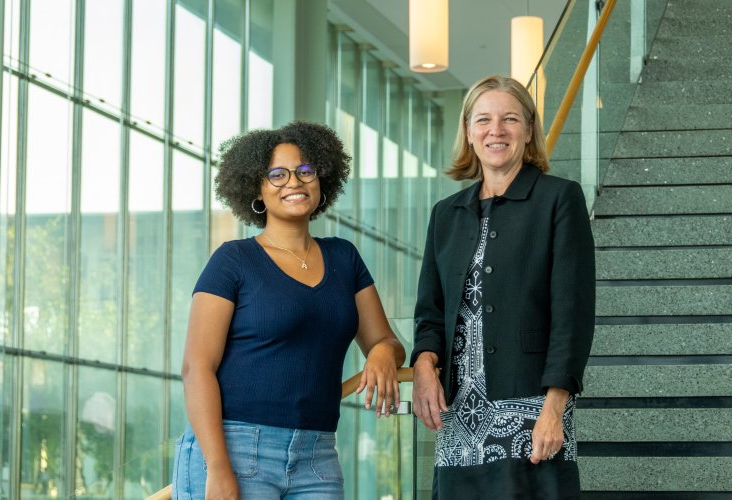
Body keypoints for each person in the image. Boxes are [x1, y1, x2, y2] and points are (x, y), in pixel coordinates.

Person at [172, 121, 406, 500]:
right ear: (256, 190)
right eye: (277, 174)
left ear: (321, 181)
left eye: (305, 171)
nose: (294, 182)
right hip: (234, 447)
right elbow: (196, 367)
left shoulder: (344, 258)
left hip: (317, 454)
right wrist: (217, 467)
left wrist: (382, 352)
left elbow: (386, 341)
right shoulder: (233, 260)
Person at [410, 75, 595, 499]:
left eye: (510, 119)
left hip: (532, 406)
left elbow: (573, 312)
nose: (497, 130)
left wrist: (555, 405)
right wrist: (423, 365)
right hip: (460, 415)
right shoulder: (446, 214)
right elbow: (430, 311)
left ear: (529, 131)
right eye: (484, 120)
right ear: (469, 132)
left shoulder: (559, 199)